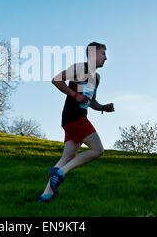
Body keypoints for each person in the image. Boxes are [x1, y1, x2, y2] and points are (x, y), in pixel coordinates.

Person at [38, 42, 115, 202]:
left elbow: (91, 101)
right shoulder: (80, 68)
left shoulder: (96, 78)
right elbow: (56, 80)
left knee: (67, 157)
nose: (106, 58)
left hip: (76, 117)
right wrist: (75, 95)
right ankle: (60, 173)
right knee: (98, 150)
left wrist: (103, 107)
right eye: (103, 54)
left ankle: (46, 196)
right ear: (93, 54)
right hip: (74, 117)